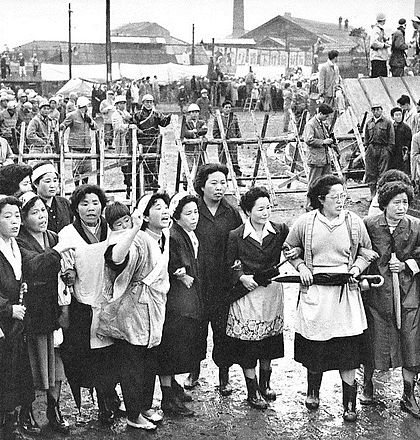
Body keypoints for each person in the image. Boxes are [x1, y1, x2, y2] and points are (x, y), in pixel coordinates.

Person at [285, 175, 376, 422]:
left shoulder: (354, 223)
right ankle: (313, 391)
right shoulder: (306, 222)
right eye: (335, 196)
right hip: (316, 294)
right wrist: (301, 266)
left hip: (345, 295)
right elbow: (289, 248)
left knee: (348, 349)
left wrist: (356, 269)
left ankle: (349, 403)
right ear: (321, 199)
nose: (340, 201)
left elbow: (367, 251)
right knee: (316, 346)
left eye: (343, 195)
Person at [99, 193, 171, 430]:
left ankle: (143, 406)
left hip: (155, 305)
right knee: (133, 361)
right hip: (134, 308)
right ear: (144, 215)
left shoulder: (163, 237)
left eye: (166, 206)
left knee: (150, 358)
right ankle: (132, 412)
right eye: (157, 207)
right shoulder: (137, 239)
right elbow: (116, 259)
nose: (164, 210)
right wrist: (133, 230)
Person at [58, 185, 121, 425]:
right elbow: (65, 264)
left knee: (111, 353)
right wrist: (69, 272)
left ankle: (110, 396)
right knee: (88, 355)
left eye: (95, 203)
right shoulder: (68, 234)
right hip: (83, 303)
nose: (90, 208)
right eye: (84, 204)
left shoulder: (112, 230)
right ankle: (99, 400)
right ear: (76, 208)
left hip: (110, 301)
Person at [225, 187, 290, 409]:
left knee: (269, 341)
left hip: (271, 291)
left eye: (268, 207)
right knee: (248, 344)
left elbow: (292, 247)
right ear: (248, 211)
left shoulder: (280, 230)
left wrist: (293, 252)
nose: (265, 212)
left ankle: (265, 384)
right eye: (260, 208)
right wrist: (242, 277)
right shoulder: (236, 235)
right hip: (247, 295)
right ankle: (252, 391)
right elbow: (230, 262)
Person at [362, 181, 420, 419]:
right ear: (385, 204)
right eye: (396, 203)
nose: (401, 207)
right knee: (374, 339)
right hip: (377, 291)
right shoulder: (369, 225)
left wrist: (407, 264)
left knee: (411, 340)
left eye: (405, 202)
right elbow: (358, 250)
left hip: (408, 293)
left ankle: (408, 394)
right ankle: (367, 385)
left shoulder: (416, 227)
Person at [17, 192, 73, 434]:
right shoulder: (20, 241)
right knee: (32, 363)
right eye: (34, 212)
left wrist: (69, 275)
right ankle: (27, 410)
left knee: (56, 361)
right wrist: (58, 252)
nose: (41, 217)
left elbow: (66, 264)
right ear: (23, 218)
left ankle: (54, 408)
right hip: (33, 311)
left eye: (43, 211)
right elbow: (32, 266)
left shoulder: (53, 236)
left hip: (54, 308)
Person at [184, 164, 242, 395]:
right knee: (196, 329)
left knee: (222, 331)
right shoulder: (192, 209)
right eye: (213, 183)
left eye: (223, 183)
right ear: (201, 185)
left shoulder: (231, 212)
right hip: (197, 281)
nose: (219, 188)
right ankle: (193, 370)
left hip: (222, 283)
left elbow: (240, 243)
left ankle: (224, 375)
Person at [157, 193, 204, 417]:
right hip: (175, 301)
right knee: (170, 348)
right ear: (177, 215)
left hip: (186, 298)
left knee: (178, 346)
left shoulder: (189, 234)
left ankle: (173, 386)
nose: (194, 217)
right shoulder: (173, 236)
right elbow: (171, 264)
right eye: (188, 213)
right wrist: (181, 273)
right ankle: (167, 396)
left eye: (196, 212)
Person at [0, 196, 37, 440]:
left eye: (16, 216)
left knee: (14, 370)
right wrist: (7, 309)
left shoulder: (14, 245)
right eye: (7, 216)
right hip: (4, 318)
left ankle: (12, 420)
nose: (14, 221)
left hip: (15, 322)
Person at [132, 93, 171, 192]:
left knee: (155, 163)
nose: (149, 104)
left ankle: (154, 182)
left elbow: (164, 123)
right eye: (147, 102)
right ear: (143, 103)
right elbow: (133, 127)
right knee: (143, 162)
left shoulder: (156, 114)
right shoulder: (138, 115)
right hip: (143, 143)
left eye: (150, 102)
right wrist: (138, 131)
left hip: (154, 143)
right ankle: (144, 182)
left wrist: (169, 118)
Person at [303, 103, 335, 209]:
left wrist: (330, 141)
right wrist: (324, 141)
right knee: (313, 183)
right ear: (320, 113)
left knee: (328, 181)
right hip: (316, 159)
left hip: (325, 158)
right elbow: (308, 140)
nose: (327, 118)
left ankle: (323, 203)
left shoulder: (321, 123)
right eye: (326, 116)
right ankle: (309, 204)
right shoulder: (311, 124)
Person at [60, 96, 97, 186]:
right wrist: (62, 140)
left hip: (86, 145)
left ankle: (85, 186)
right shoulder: (72, 115)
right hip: (76, 146)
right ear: (81, 106)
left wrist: (91, 122)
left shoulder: (88, 116)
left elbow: (95, 127)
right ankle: (76, 187)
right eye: (85, 106)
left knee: (87, 169)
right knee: (76, 168)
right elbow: (63, 126)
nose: (86, 108)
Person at [31, 162, 73, 233]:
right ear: (36, 184)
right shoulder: (31, 205)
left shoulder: (65, 203)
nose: (52, 185)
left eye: (55, 180)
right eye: (47, 181)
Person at [364, 103, 395, 198]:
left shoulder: (387, 122)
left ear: (381, 110)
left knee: (383, 172)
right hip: (371, 148)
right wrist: (367, 147)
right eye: (373, 110)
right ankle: (372, 194)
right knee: (370, 172)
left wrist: (388, 150)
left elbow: (391, 138)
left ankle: (381, 194)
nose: (376, 111)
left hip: (383, 149)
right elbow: (366, 137)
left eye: (378, 109)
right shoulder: (369, 123)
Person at [212, 100, 244, 184]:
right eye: (226, 107)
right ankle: (223, 180)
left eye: (229, 107)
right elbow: (215, 131)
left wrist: (239, 140)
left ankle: (238, 179)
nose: (228, 109)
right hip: (222, 144)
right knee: (222, 163)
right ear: (222, 108)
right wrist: (220, 139)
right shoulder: (217, 118)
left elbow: (237, 130)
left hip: (232, 143)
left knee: (235, 162)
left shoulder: (234, 117)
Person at [111, 95, 132, 198]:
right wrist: (128, 126)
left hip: (128, 140)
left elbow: (131, 119)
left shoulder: (125, 113)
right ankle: (127, 184)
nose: (122, 105)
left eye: (124, 103)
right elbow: (118, 127)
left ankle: (130, 185)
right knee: (124, 163)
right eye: (120, 103)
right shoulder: (115, 115)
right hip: (121, 140)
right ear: (117, 105)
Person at [389, 107, 411, 174]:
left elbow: (409, 141)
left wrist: (406, 153)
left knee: (403, 170)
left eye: (400, 115)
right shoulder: (391, 127)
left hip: (402, 152)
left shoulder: (406, 128)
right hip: (393, 152)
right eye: (396, 115)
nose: (399, 117)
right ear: (392, 117)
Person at [370, 13, 390, 78]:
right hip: (377, 58)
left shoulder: (380, 29)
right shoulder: (376, 29)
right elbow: (374, 43)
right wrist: (384, 45)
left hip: (381, 58)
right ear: (384, 20)